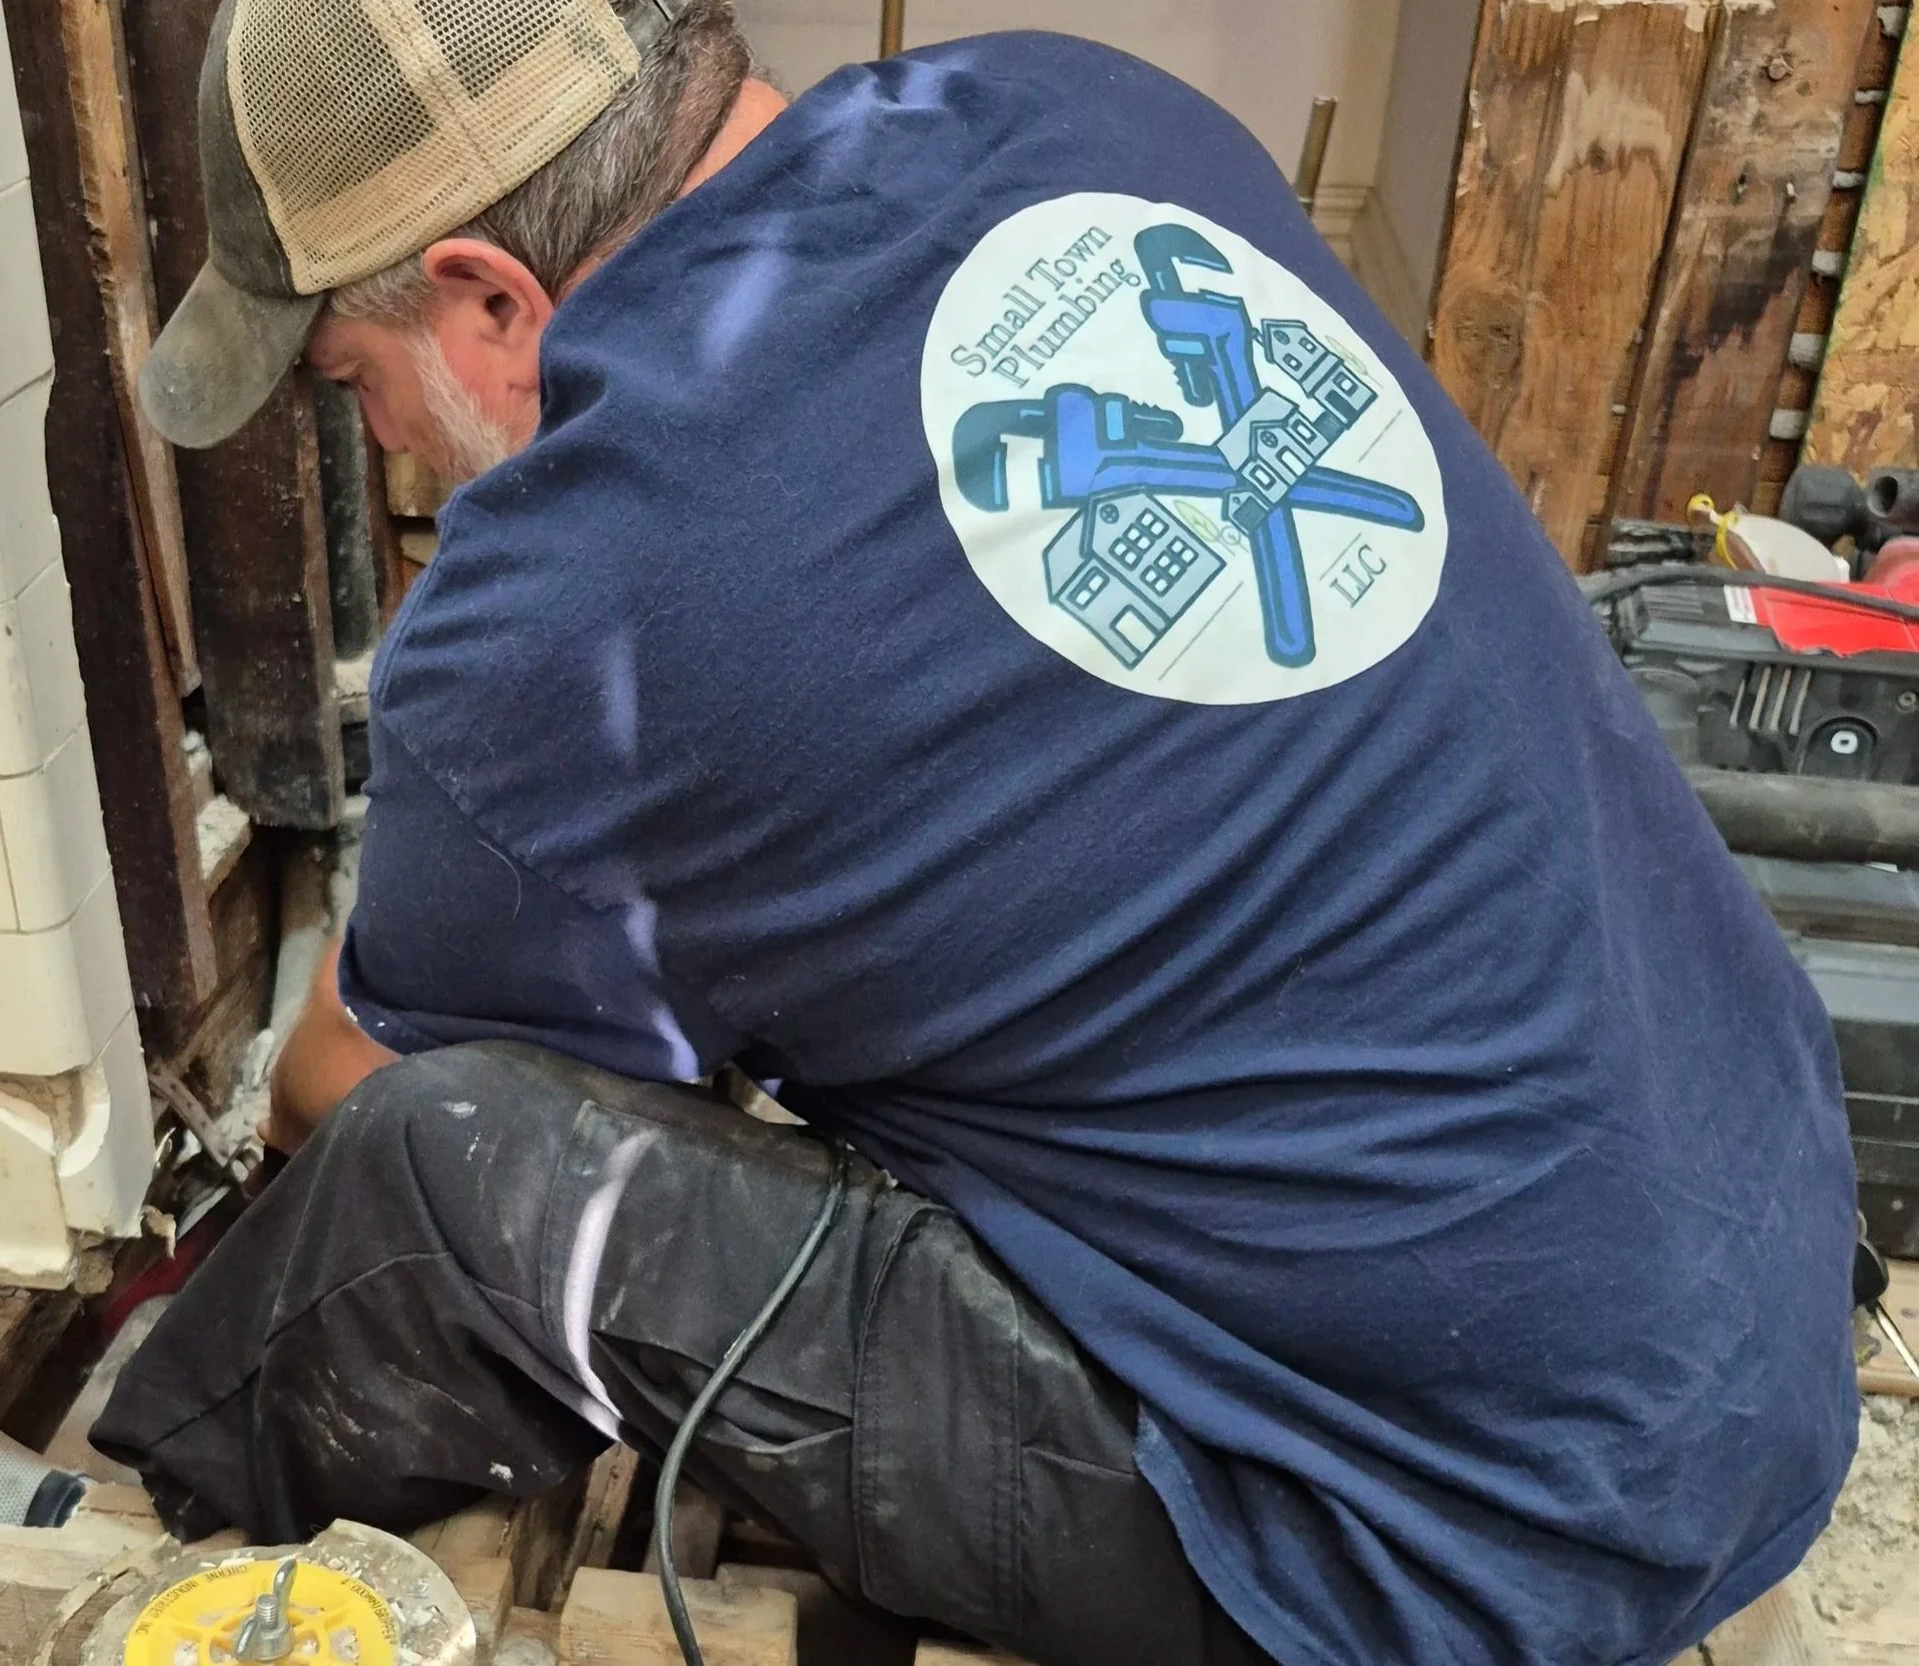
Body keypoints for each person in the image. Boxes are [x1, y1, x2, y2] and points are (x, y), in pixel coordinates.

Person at [92, 3, 1863, 1662]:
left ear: (486, 297)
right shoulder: (1075, 109)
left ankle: (125, 1533)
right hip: (1748, 1280)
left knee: (439, 1172)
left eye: (349, 380)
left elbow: (354, 1091)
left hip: (1448, 1531)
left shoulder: (563, 610)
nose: (380, 436)